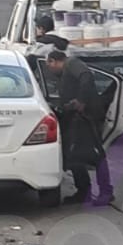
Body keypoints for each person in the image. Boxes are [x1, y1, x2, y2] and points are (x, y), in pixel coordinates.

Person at [46, 47, 114, 206]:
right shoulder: (65, 72)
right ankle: (83, 191)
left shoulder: (72, 63)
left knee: (95, 154)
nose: (50, 70)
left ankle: (106, 191)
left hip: (86, 117)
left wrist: (81, 101)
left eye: (49, 66)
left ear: (53, 61)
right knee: (74, 154)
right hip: (74, 118)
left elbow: (86, 76)